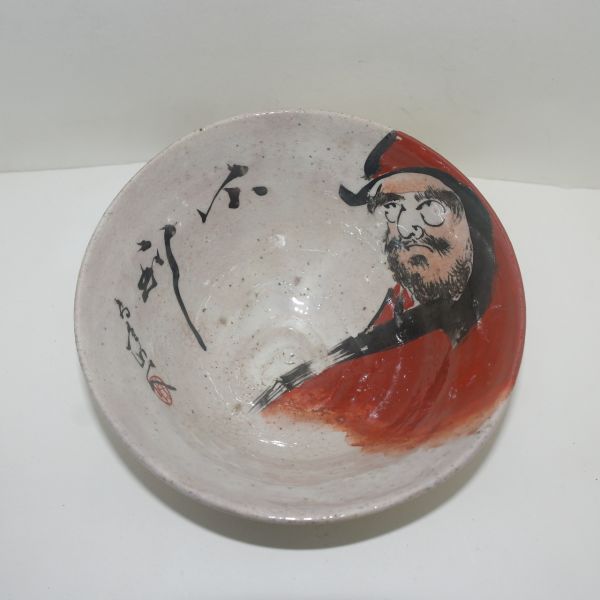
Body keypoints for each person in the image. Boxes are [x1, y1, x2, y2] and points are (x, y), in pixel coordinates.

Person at [251, 132, 522, 452]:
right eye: (393, 208)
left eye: (430, 208)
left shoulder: (475, 343)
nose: (408, 227)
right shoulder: (398, 306)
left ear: (473, 223)